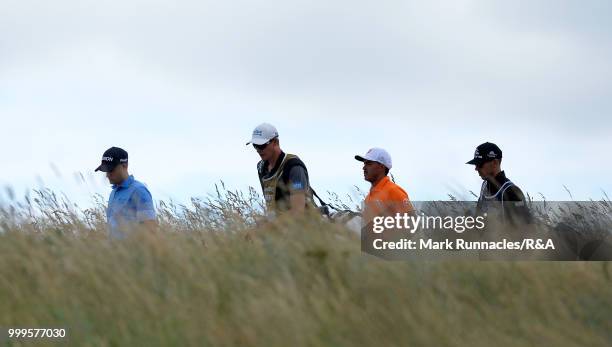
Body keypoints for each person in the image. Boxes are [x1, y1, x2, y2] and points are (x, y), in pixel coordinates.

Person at [247, 123, 317, 217]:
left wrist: (270, 225)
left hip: (307, 224)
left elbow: (298, 212)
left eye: (262, 145)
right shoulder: (261, 167)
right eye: (255, 145)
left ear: (275, 142)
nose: (258, 150)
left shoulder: (294, 167)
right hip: (281, 226)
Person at [95, 147, 157, 239]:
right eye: (106, 171)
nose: (107, 175)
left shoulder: (139, 190)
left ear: (124, 166)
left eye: (111, 170)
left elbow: (150, 229)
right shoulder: (113, 193)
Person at [466, 142, 531, 224]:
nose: (476, 168)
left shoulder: (512, 192)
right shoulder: (485, 186)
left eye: (480, 164)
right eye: (476, 164)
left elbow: (523, 229)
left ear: (495, 162)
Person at [355, 148, 414, 219]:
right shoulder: (368, 197)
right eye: (364, 163)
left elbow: (413, 224)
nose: (364, 168)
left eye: (369, 163)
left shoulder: (394, 191)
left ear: (381, 167)